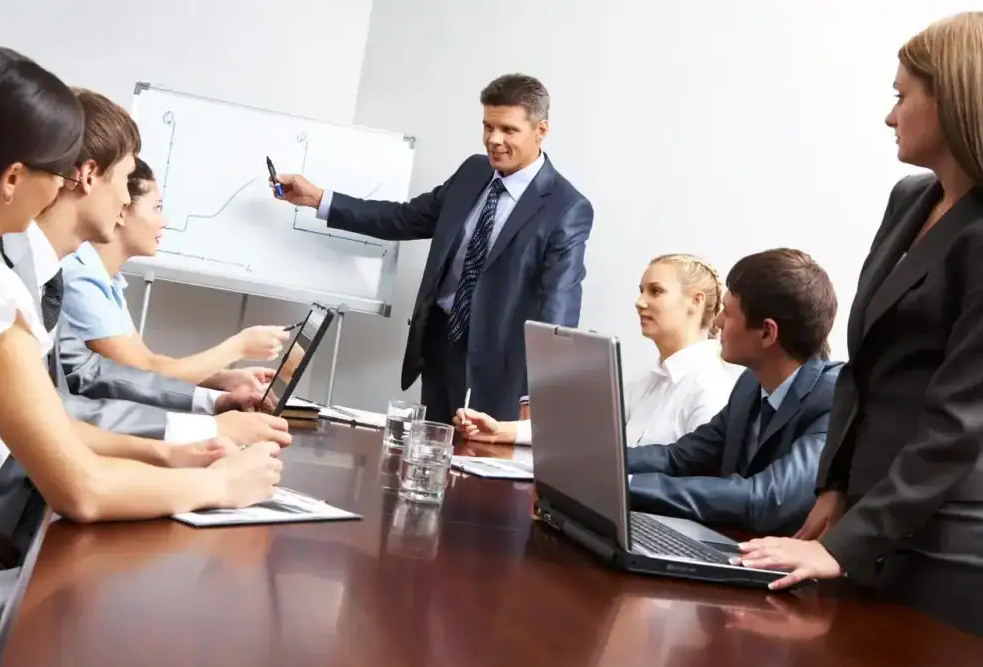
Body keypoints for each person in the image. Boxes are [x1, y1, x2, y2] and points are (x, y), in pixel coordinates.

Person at [0, 46, 281, 626]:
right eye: (54, 176)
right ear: (12, 178)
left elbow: (54, 419)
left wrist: (169, 452)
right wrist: (222, 484)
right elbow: (80, 490)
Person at [736, 12, 983, 637]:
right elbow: (865, 366)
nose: (889, 115)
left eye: (902, 96)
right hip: (863, 517)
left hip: (945, 543)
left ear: (954, 98)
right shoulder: (909, 199)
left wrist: (844, 545)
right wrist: (836, 489)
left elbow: (960, 424)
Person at [273, 73, 594, 423]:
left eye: (508, 130)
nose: (494, 140)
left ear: (541, 130)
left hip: (498, 373)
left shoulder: (565, 208)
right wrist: (319, 198)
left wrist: (540, 392)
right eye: (487, 127)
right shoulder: (473, 171)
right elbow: (404, 218)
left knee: (482, 469)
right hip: (439, 346)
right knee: (430, 453)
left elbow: (559, 307)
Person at [626, 248, 840, 535]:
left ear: (767, 333)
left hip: (787, 573)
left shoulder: (833, 399)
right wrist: (596, 463)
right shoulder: (749, 385)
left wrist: (624, 486)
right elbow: (679, 457)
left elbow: (765, 499)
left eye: (727, 312)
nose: (716, 322)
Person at [454, 253, 735, 446]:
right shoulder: (648, 382)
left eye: (656, 291)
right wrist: (498, 430)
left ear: (695, 302)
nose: (639, 302)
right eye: (641, 290)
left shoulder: (710, 388)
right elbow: (582, 431)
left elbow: (695, 479)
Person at [59, 157, 290, 385]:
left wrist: (223, 379)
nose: (164, 221)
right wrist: (239, 347)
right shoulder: (81, 277)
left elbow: (148, 361)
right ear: (122, 210)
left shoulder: (106, 279)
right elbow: (143, 374)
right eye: (156, 208)